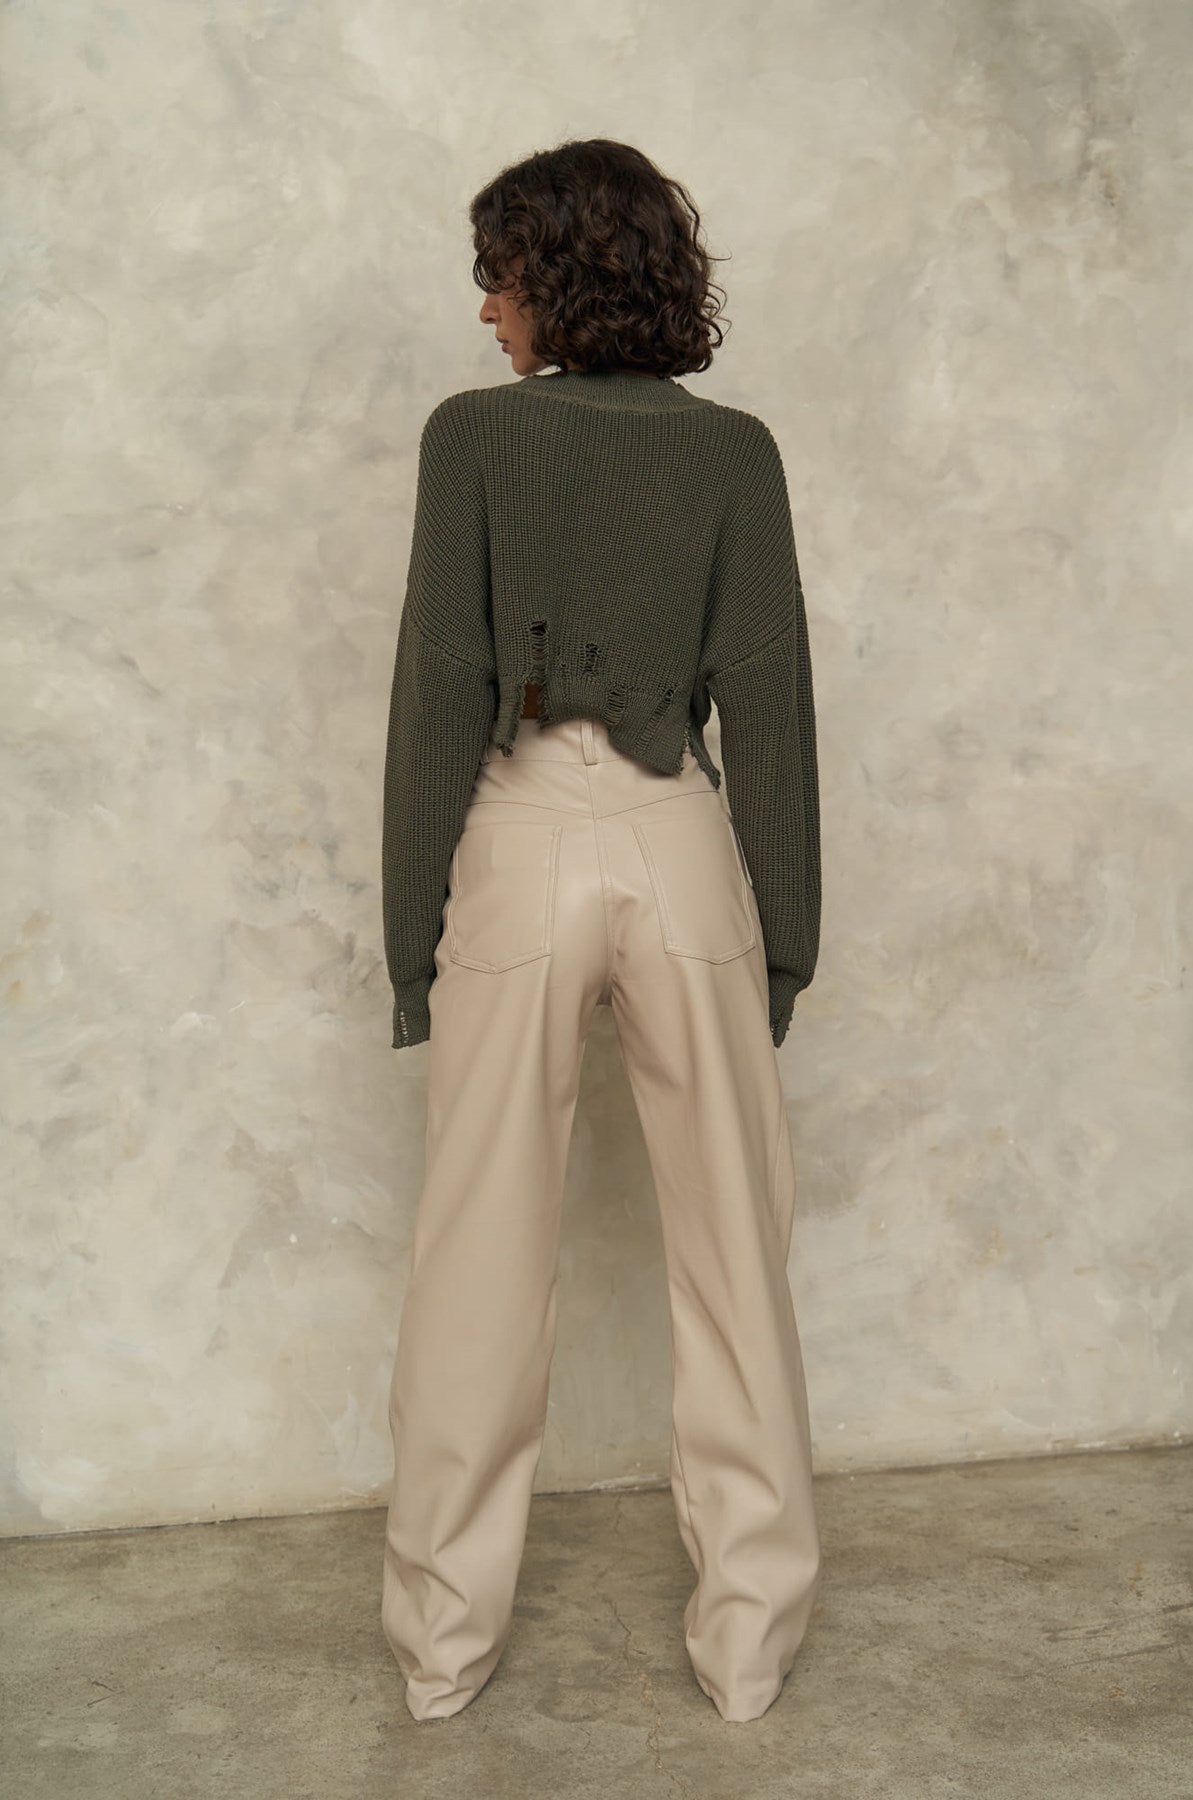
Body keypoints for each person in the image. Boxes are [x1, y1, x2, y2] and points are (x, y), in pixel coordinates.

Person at [379, 137, 823, 1725]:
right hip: (678, 842)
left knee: (477, 1253)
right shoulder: (736, 451)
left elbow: (443, 682)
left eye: (496, 270)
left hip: (517, 833)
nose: (482, 304)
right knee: (734, 1257)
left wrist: (412, 937)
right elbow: (767, 701)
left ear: (553, 276)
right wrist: (782, 947)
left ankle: (440, 1652)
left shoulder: (473, 437)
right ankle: (749, 1647)